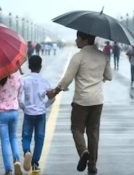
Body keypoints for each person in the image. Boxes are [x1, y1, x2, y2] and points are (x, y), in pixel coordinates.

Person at [48, 31, 112, 174]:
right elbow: (109, 76)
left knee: (77, 129)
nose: (76, 41)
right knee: (93, 132)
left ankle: (83, 152)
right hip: (98, 100)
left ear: (84, 40)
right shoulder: (103, 56)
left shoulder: (78, 57)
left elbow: (67, 79)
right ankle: (92, 165)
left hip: (81, 101)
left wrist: (56, 91)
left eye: (78, 38)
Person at [18, 55, 55, 173]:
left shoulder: (24, 80)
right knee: (39, 138)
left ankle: (27, 151)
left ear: (29, 66)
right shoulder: (44, 81)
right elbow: (51, 98)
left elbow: (19, 98)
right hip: (40, 113)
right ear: (40, 66)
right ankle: (35, 164)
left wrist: (24, 107)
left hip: (29, 113)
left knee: (26, 136)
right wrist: (44, 106)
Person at [0, 72, 23, 175]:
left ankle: (8, 170)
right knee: (14, 137)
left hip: (1, 113)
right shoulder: (17, 75)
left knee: (5, 141)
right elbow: (20, 91)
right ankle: (17, 160)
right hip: (14, 111)